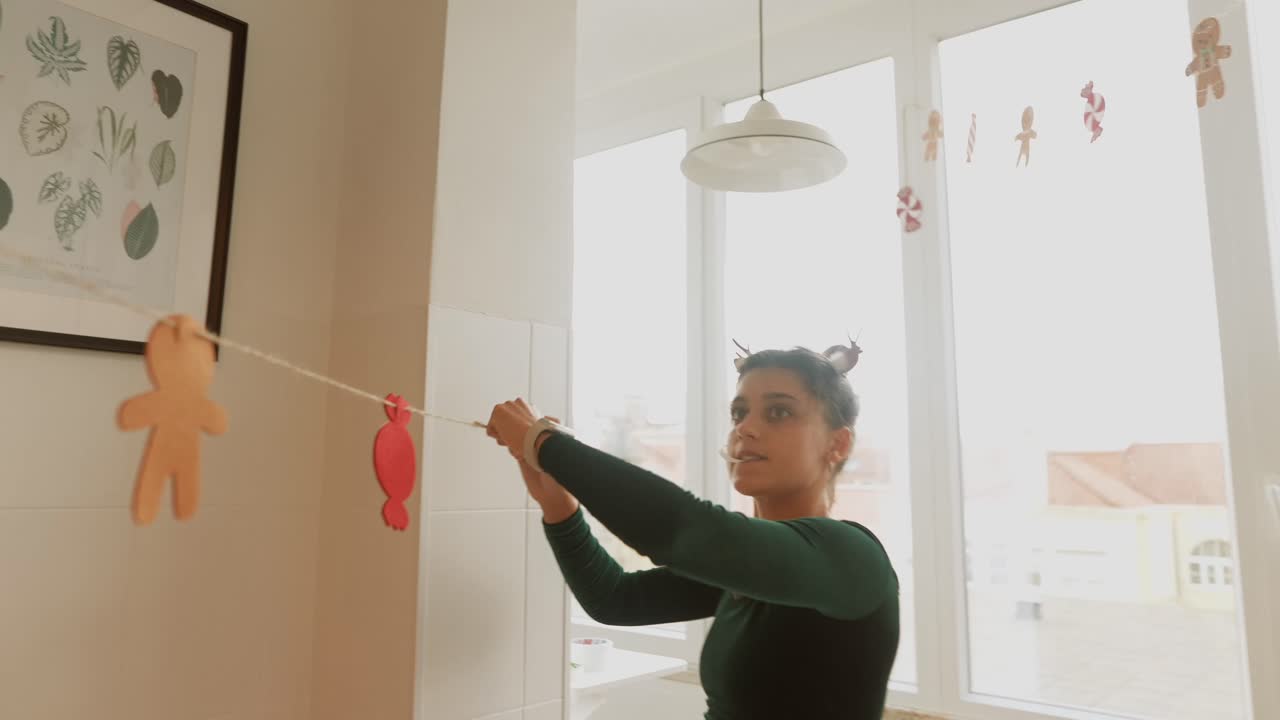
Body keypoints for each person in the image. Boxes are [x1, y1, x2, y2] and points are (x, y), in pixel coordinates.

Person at [486, 344, 900, 719]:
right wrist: (559, 507)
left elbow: (686, 530)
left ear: (839, 444)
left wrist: (542, 443)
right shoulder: (748, 570)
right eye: (739, 413)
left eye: (778, 412)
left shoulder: (849, 558)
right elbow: (615, 599)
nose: (745, 428)